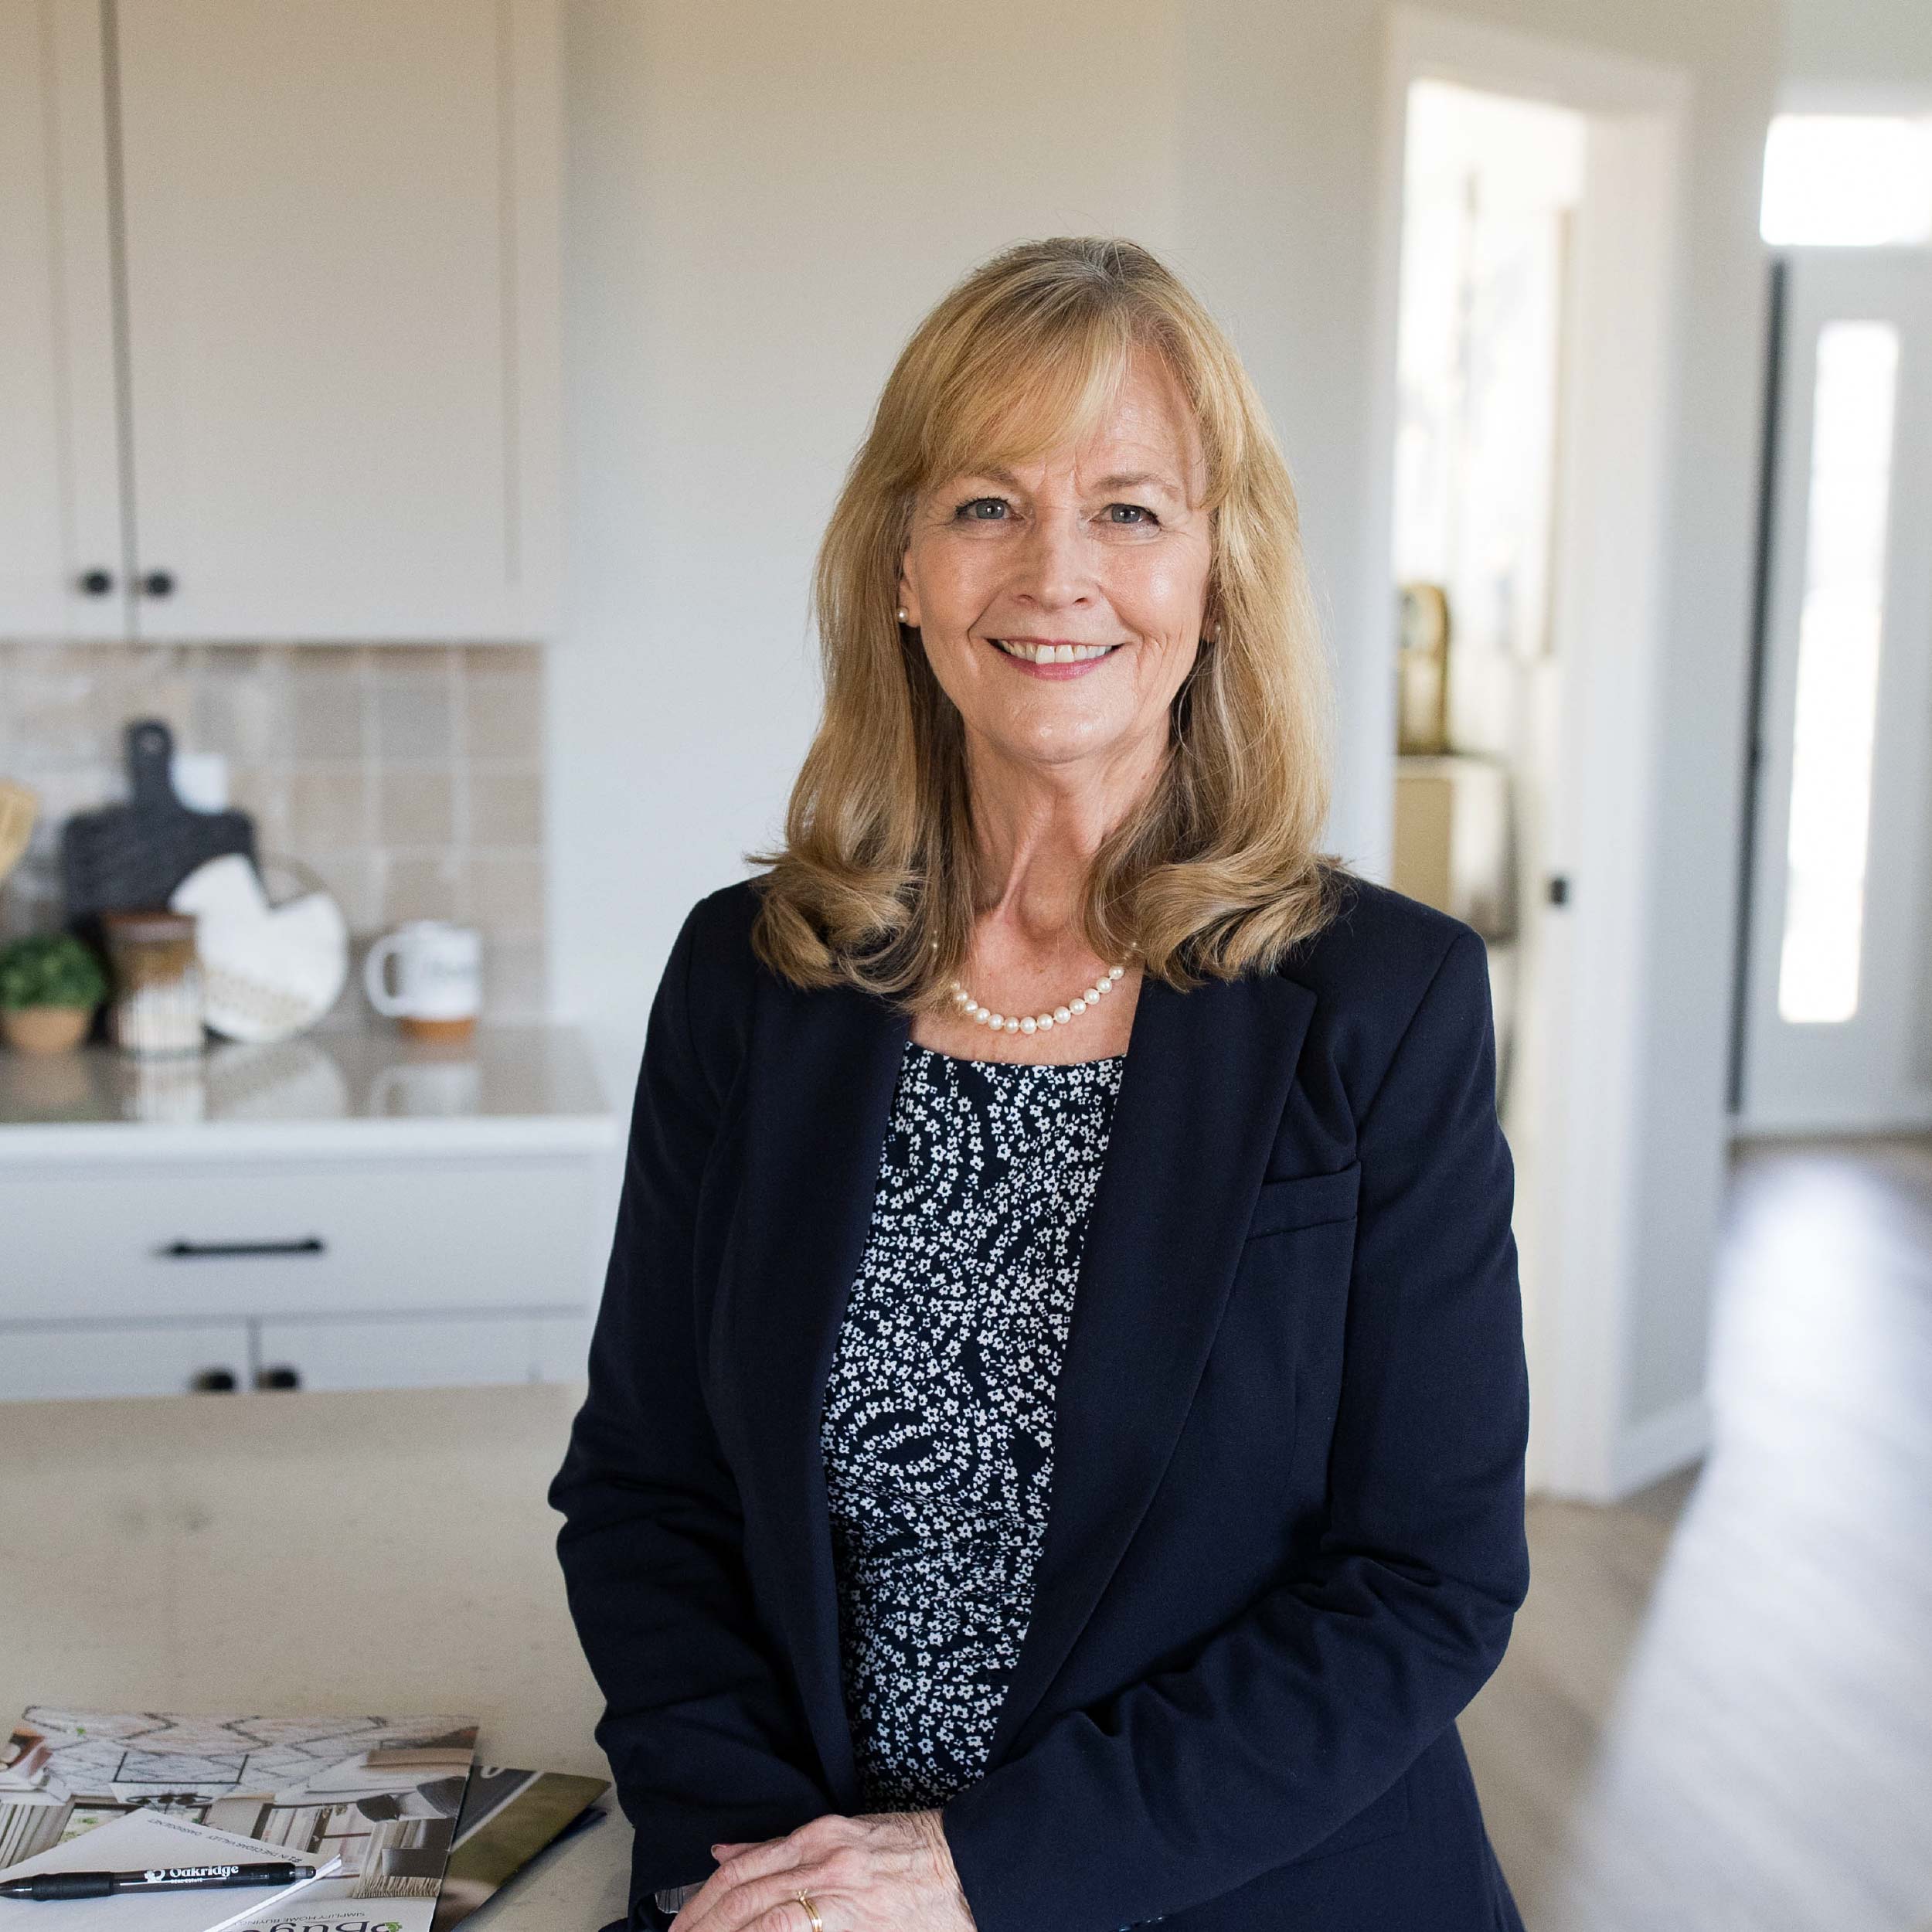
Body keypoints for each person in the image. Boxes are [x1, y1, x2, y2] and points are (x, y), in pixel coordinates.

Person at [549, 235, 1530, 1932]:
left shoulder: (1381, 1001)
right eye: (987, 504)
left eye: (1129, 510)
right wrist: (778, 1875)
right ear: (902, 569)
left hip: (1253, 1895)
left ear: (1217, 578)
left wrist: (973, 1875)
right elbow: (650, 1492)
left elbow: (1422, 1582)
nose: (1054, 573)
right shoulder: (750, 977)